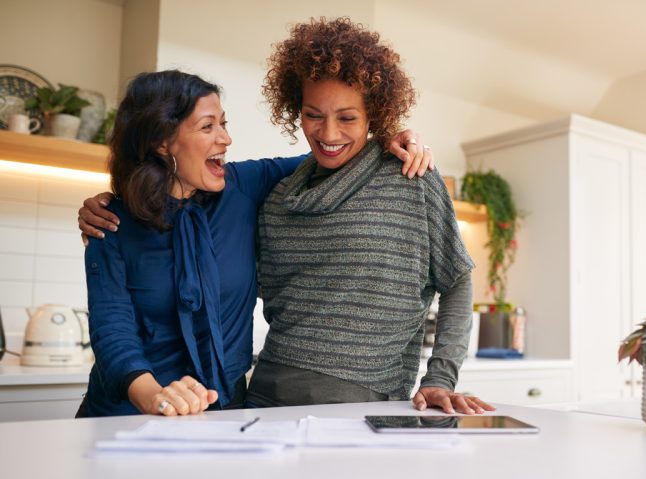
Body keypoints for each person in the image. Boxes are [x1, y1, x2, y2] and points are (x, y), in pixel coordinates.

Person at [78, 69, 433, 417]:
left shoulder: (242, 188)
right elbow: (112, 329)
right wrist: (155, 396)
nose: (225, 139)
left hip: (223, 412)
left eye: (224, 123)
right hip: (132, 412)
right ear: (161, 141)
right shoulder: (111, 223)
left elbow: (333, 154)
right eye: (207, 126)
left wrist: (387, 141)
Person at [246, 17, 494, 415]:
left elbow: (457, 281)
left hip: (364, 401)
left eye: (347, 118)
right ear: (295, 108)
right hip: (263, 395)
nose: (328, 133)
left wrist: (440, 378)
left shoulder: (410, 178)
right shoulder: (278, 198)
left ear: (375, 114)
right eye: (313, 115)